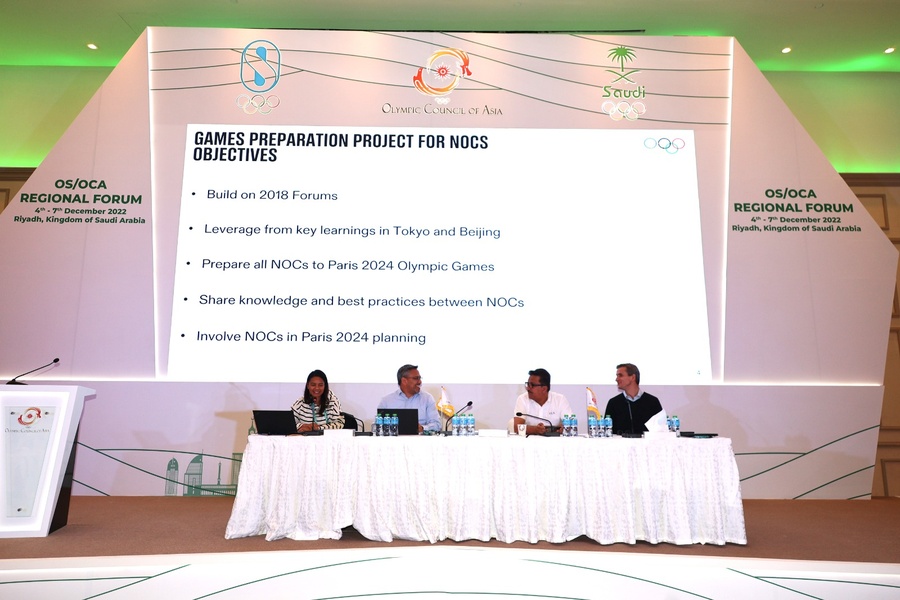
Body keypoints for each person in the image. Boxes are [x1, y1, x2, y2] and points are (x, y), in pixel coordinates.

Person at [378, 364, 441, 433]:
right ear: (404, 381)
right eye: (416, 378)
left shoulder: (427, 399)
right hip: (394, 439)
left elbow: (437, 425)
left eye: (420, 378)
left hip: (420, 439)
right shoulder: (386, 401)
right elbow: (378, 425)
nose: (420, 382)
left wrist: (423, 428)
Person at [604, 363, 663, 435]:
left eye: (620, 375)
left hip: (648, 442)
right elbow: (608, 432)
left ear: (633, 377)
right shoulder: (614, 403)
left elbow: (661, 431)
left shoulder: (652, 402)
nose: (616, 379)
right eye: (617, 376)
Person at [513, 368, 572, 435]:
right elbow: (517, 428)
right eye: (528, 384)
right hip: (528, 440)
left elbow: (571, 424)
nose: (528, 388)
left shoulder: (560, 400)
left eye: (532, 385)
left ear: (544, 389)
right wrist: (535, 430)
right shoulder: (522, 399)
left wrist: (565, 428)